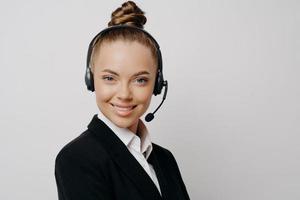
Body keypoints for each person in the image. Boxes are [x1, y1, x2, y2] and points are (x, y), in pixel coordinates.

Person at [54, 1, 190, 200]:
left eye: (140, 80)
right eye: (110, 78)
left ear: (157, 84)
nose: (124, 94)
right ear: (91, 80)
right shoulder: (77, 158)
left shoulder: (165, 159)